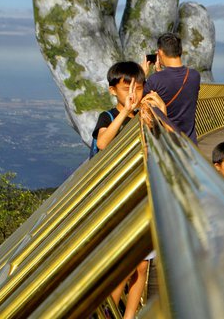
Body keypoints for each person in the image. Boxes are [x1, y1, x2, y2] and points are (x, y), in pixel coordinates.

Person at [92, 61, 165, 319]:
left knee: (142, 266)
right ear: (113, 90)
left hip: (141, 196)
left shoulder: (145, 117)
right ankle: (109, 315)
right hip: (114, 199)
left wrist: (161, 114)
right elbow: (102, 143)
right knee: (123, 268)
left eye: (139, 86)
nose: (133, 92)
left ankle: (129, 315)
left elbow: (163, 147)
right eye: (126, 87)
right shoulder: (109, 116)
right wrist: (126, 112)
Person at [142, 33, 201, 144]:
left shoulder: (155, 80)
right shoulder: (194, 76)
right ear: (180, 51)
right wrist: (160, 73)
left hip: (167, 144)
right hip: (190, 143)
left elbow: (138, 103)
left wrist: (142, 76)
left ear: (160, 52)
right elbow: (175, 85)